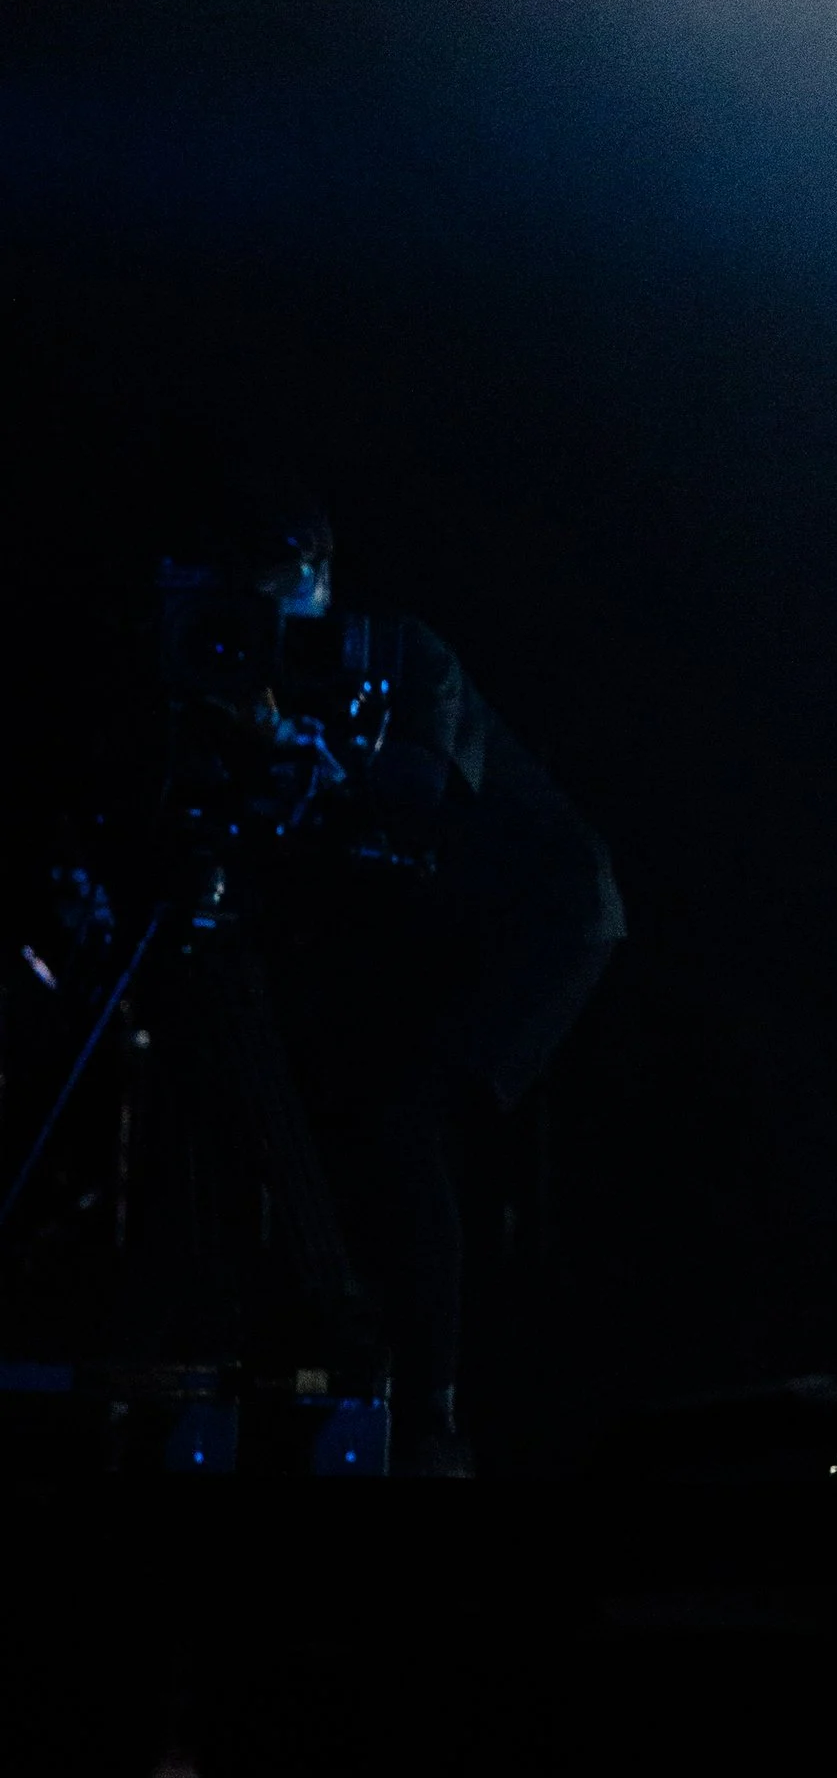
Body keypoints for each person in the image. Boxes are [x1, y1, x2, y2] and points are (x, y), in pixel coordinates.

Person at [158, 484, 625, 1476]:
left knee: (402, 1119)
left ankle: (430, 1416)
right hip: (429, 922)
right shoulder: (246, 675)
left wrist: (289, 741)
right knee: (342, 1107)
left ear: (316, 575)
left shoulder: (401, 652)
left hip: (540, 919)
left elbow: (421, 795)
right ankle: (336, 1378)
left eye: (269, 585)